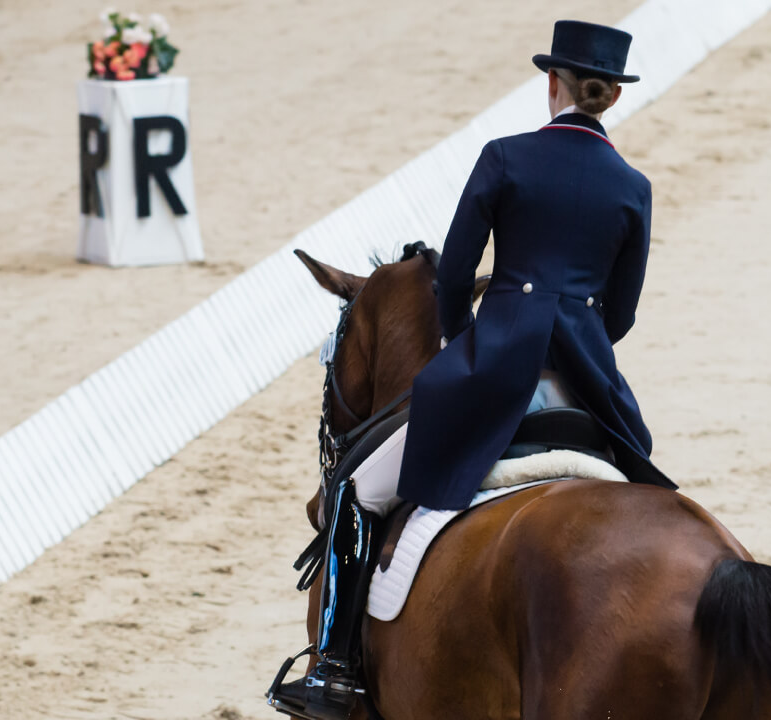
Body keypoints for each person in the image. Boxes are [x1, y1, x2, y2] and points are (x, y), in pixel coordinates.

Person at [272, 20, 673, 720]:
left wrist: (464, 342)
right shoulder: (631, 186)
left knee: (357, 494)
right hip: (588, 374)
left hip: (496, 359)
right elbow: (625, 311)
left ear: (552, 84)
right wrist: (579, 346)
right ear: (608, 97)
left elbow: (454, 273)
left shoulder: (506, 157)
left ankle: (332, 667)